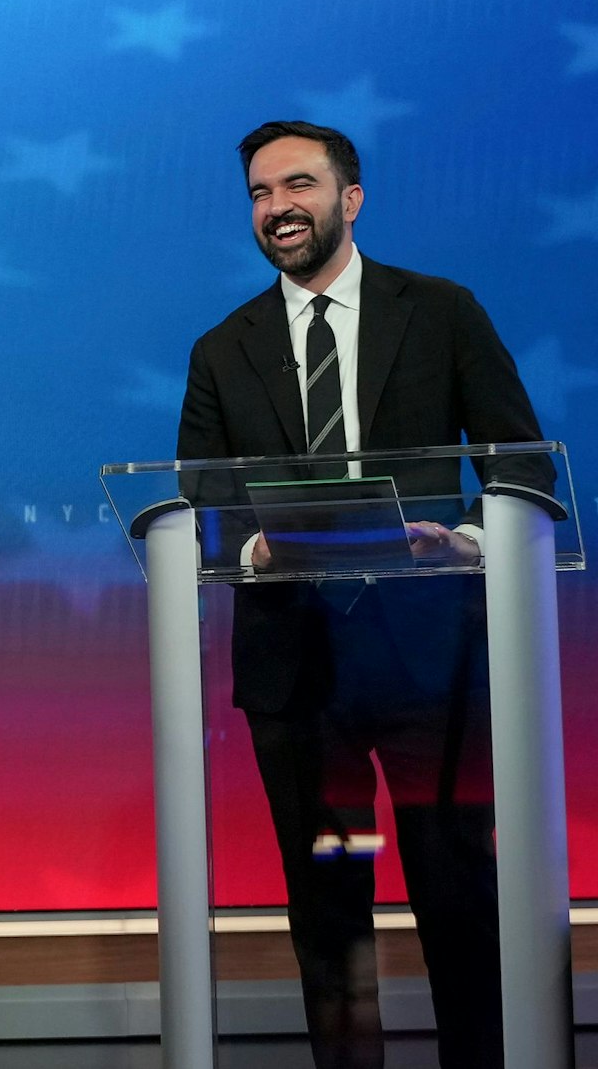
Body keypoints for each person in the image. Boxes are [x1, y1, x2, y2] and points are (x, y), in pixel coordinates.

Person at [177, 120, 550, 1068]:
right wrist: (259, 543)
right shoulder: (223, 348)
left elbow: (522, 467)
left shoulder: (441, 312)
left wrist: (462, 542)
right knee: (329, 915)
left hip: (433, 662)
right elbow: (203, 501)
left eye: (297, 186)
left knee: (462, 900)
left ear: (351, 198)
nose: (277, 208)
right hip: (298, 672)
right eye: (260, 194)